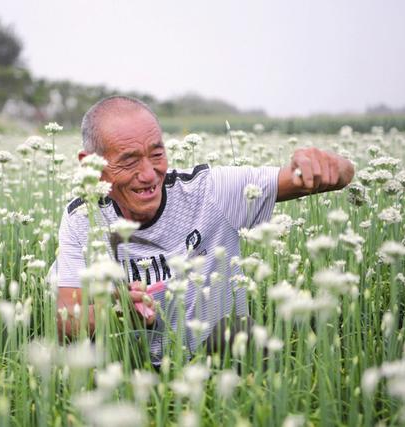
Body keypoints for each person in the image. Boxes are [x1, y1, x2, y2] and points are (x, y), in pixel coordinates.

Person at [49, 95, 354, 364]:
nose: (148, 174)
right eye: (128, 161)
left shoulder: (211, 191)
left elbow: (334, 175)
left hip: (226, 364)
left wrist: (324, 164)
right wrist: (115, 311)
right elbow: (66, 322)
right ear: (90, 164)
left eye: (157, 155)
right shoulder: (82, 218)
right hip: (133, 375)